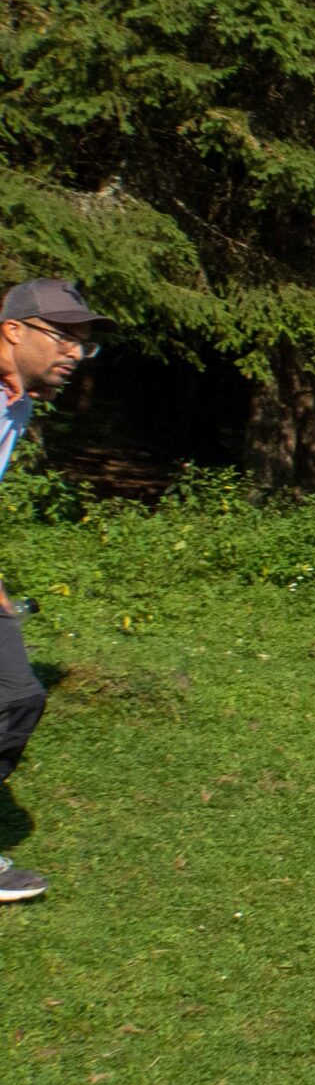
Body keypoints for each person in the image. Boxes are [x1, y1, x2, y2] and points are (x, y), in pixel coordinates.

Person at [0, 279, 108, 903]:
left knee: (16, 698)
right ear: (13, 330)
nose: (74, 353)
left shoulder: (18, 404)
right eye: (63, 336)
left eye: (83, 344)